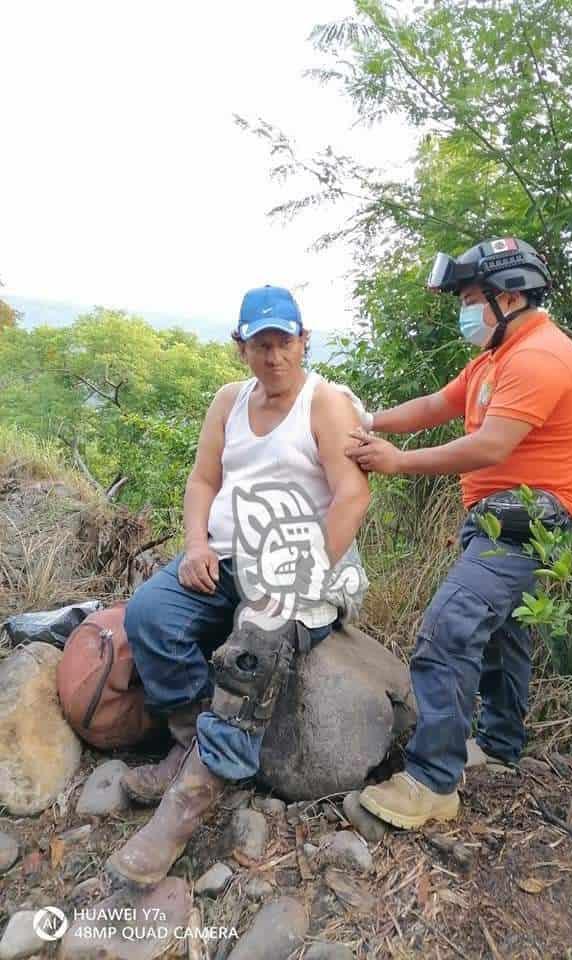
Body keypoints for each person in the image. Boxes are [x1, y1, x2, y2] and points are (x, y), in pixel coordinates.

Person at [107, 284, 370, 885]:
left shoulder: (324, 405)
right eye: (261, 344)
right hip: (224, 557)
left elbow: (353, 495)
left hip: (301, 563)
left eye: (285, 342)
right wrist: (197, 544)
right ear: (241, 348)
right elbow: (202, 481)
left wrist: (305, 573)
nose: (274, 356)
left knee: (254, 643)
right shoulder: (229, 401)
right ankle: (187, 739)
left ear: (304, 342)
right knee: (150, 613)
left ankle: (194, 796)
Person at [346, 238, 572, 829]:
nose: (465, 310)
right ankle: (501, 747)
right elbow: (437, 404)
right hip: (498, 519)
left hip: (527, 521)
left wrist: (396, 461)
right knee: (503, 636)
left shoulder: (541, 358)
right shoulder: (495, 357)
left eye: (469, 298)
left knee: (448, 627)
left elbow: (490, 446)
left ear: (509, 295)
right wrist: (365, 419)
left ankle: (433, 783)